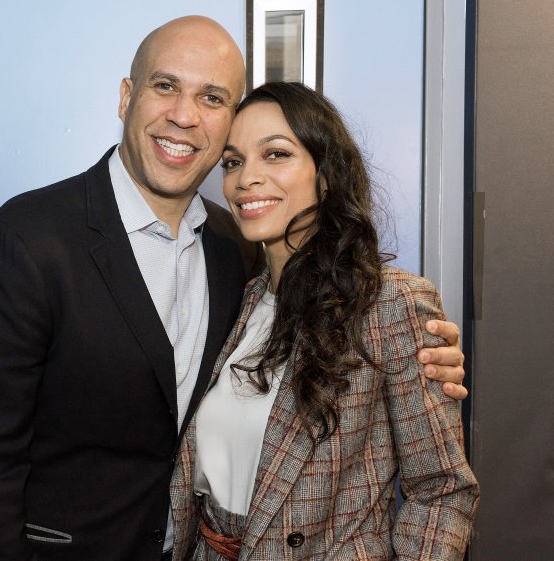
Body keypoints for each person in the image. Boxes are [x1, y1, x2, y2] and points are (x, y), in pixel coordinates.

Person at [0, 16, 468, 561]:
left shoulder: (233, 247)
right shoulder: (24, 240)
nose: (184, 115)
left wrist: (423, 357)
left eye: (212, 98)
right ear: (126, 97)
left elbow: (435, 478)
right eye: (165, 86)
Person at [169, 82, 479, 560]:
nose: (246, 177)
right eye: (233, 161)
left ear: (326, 174)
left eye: (275, 154)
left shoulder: (389, 303)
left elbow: (441, 488)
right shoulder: (240, 297)